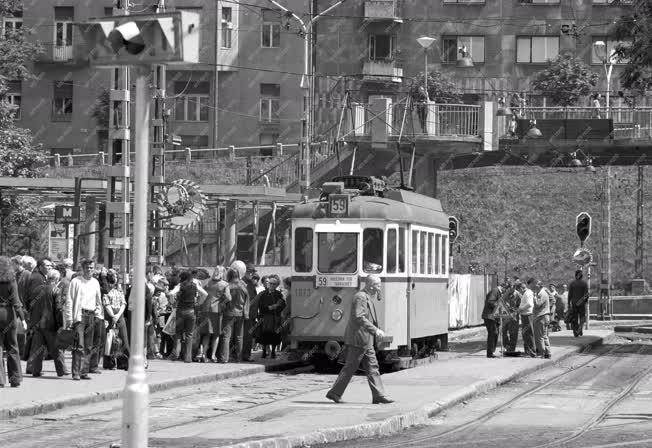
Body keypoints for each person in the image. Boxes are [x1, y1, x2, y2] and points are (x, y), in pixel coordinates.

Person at [326, 275, 393, 404]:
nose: (379, 289)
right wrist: (375, 330)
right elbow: (359, 317)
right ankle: (334, 393)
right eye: (377, 286)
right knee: (351, 367)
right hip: (359, 339)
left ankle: (378, 395)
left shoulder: (365, 296)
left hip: (365, 339)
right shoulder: (361, 297)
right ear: (370, 285)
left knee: (372, 367)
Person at [64, 258, 102, 380]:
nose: (89, 270)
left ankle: (84, 371)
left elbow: (98, 300)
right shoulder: (76, 281)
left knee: (88, 346)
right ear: (82, 268)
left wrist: (98, 314)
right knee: (79, 345)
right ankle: (76, 372)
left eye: (91, 267)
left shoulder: (95, 282)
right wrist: (70, 318)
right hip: (79, 315)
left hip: (91, 315)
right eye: (87, 267)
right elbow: (69, 300)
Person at [30, 269, 67, 377]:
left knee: (38, 349)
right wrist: (61, 324)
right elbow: (59, 309)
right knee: (57, 349)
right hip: (51, 325)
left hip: (37, 324)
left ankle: (35, 371)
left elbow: (30, 306)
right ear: (56, 279)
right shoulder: (56, 290)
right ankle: (61, 371)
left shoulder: (37, 290)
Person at [169, 270, 207, 363]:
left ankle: (176, 354)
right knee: (189, 335)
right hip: (191, 312)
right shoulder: (195, 285)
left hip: (180, 312)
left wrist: (172, 302)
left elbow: (171, 293)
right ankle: (188, 357)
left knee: (178, 333)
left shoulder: (180, 285)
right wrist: (199, 303)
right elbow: (205, 294)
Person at [0, 256, 26, 387]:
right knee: (12, 347)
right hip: (9, 315)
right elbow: (16, 302)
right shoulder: (11, 280)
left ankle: (0, 380)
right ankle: (15, 379)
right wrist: (23, 319)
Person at [198, 266, 230, 362]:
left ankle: (203, 354)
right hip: (216, 310)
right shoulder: (225, 284)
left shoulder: (207, 282)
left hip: (205, 309)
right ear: (222, 273)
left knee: (207, 334)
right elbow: (229, 298)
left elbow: (201, 294)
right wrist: (222, 303)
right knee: (216, 334)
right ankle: (212, 355)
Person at [218, 267, 249, 363]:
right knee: (239, 337)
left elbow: (223, 301)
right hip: (240, 314)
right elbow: (247, 301)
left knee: (226, 337)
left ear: (229, 275)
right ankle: (239, 358)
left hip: (228, 313)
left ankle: (224, 358)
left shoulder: (227, 286)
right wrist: (246, 314)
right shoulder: (243, 286)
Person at [102, 270, 129, 370]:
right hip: (109, 316)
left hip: (119, 316)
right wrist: (113, 316)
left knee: (123, 339)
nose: (116, 279)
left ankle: (123, 363)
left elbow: (123, 303)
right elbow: (106, 303)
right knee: (109, 341)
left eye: (117, 277)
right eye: (114, 277)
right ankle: (109, 363)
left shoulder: (120, 288)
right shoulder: (106, 289)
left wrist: (118, 315)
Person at [257, 274, 285, 359]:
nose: (271, 285)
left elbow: (283, 305)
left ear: (276, 285)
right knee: (264, 336)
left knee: (274, 336)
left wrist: (277, 306)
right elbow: (260, 305)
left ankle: (273, 352)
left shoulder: (279, 294)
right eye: (270, 283)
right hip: (265, 317)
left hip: (275, 318)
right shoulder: (263, 294)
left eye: (273, 284)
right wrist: (268, 307)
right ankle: (264, 351)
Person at [241, 264, 259, 362]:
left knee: (248, 336)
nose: (251, 274)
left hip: (251, 314)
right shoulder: (243, 282)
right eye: (249, 272)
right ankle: (244, 355)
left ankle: (246, 355)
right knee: (245, 336)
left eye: (253, 272)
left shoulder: (250, 283)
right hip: (246, 314)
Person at [481, 283, 503, 358]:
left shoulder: (498, 292)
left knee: (495, 333)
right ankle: (490, 353)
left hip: (493, 317)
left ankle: (492, 352)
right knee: (493, 333)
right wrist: (499, 307)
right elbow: (490, 301)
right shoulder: (495, 291)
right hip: (489, 316)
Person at [533, 281, 551, 359]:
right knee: (544, 335)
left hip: (541, 317)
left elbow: (537, 305)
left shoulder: (542, 294)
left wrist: (534, 298)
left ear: (540, 286)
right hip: (544, 316)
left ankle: (542, 353)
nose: (534, 286)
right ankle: (547, 353)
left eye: (536, 285)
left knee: (539, 336)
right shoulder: (541, 293)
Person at [517, 281, 536, 358]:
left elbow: (529, 304)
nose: (519, 292)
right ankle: (529, 351)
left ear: (521, 288)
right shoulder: (528, 292)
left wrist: (520, 309)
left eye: (519, 290)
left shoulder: (527, 293)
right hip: (527, 315)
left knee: (527, 334)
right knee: (527, 334)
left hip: (527, 316)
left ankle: (531, 352)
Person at [502, 280, 521, 353]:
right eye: (510, 287)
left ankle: (512, 348)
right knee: (503, 331)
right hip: (505, 315)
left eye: (513, 287)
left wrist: (516, 311)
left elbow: (521, 304)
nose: (511, 289)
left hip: (514, 315)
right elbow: (501, 301)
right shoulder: (505, 293)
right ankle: (506, 346)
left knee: (513, 333)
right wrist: (506, 294)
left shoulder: (518, 294)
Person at [568, 270, 589, 337]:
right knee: (582, 317)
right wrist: (584, 302)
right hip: (581, 303)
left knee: (574, 318)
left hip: (574, 303)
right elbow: (586, 295)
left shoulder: (572, 283)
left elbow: (569, 295)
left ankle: (575, 332)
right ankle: (580, 329)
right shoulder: (584, 283)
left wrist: (568, 303)